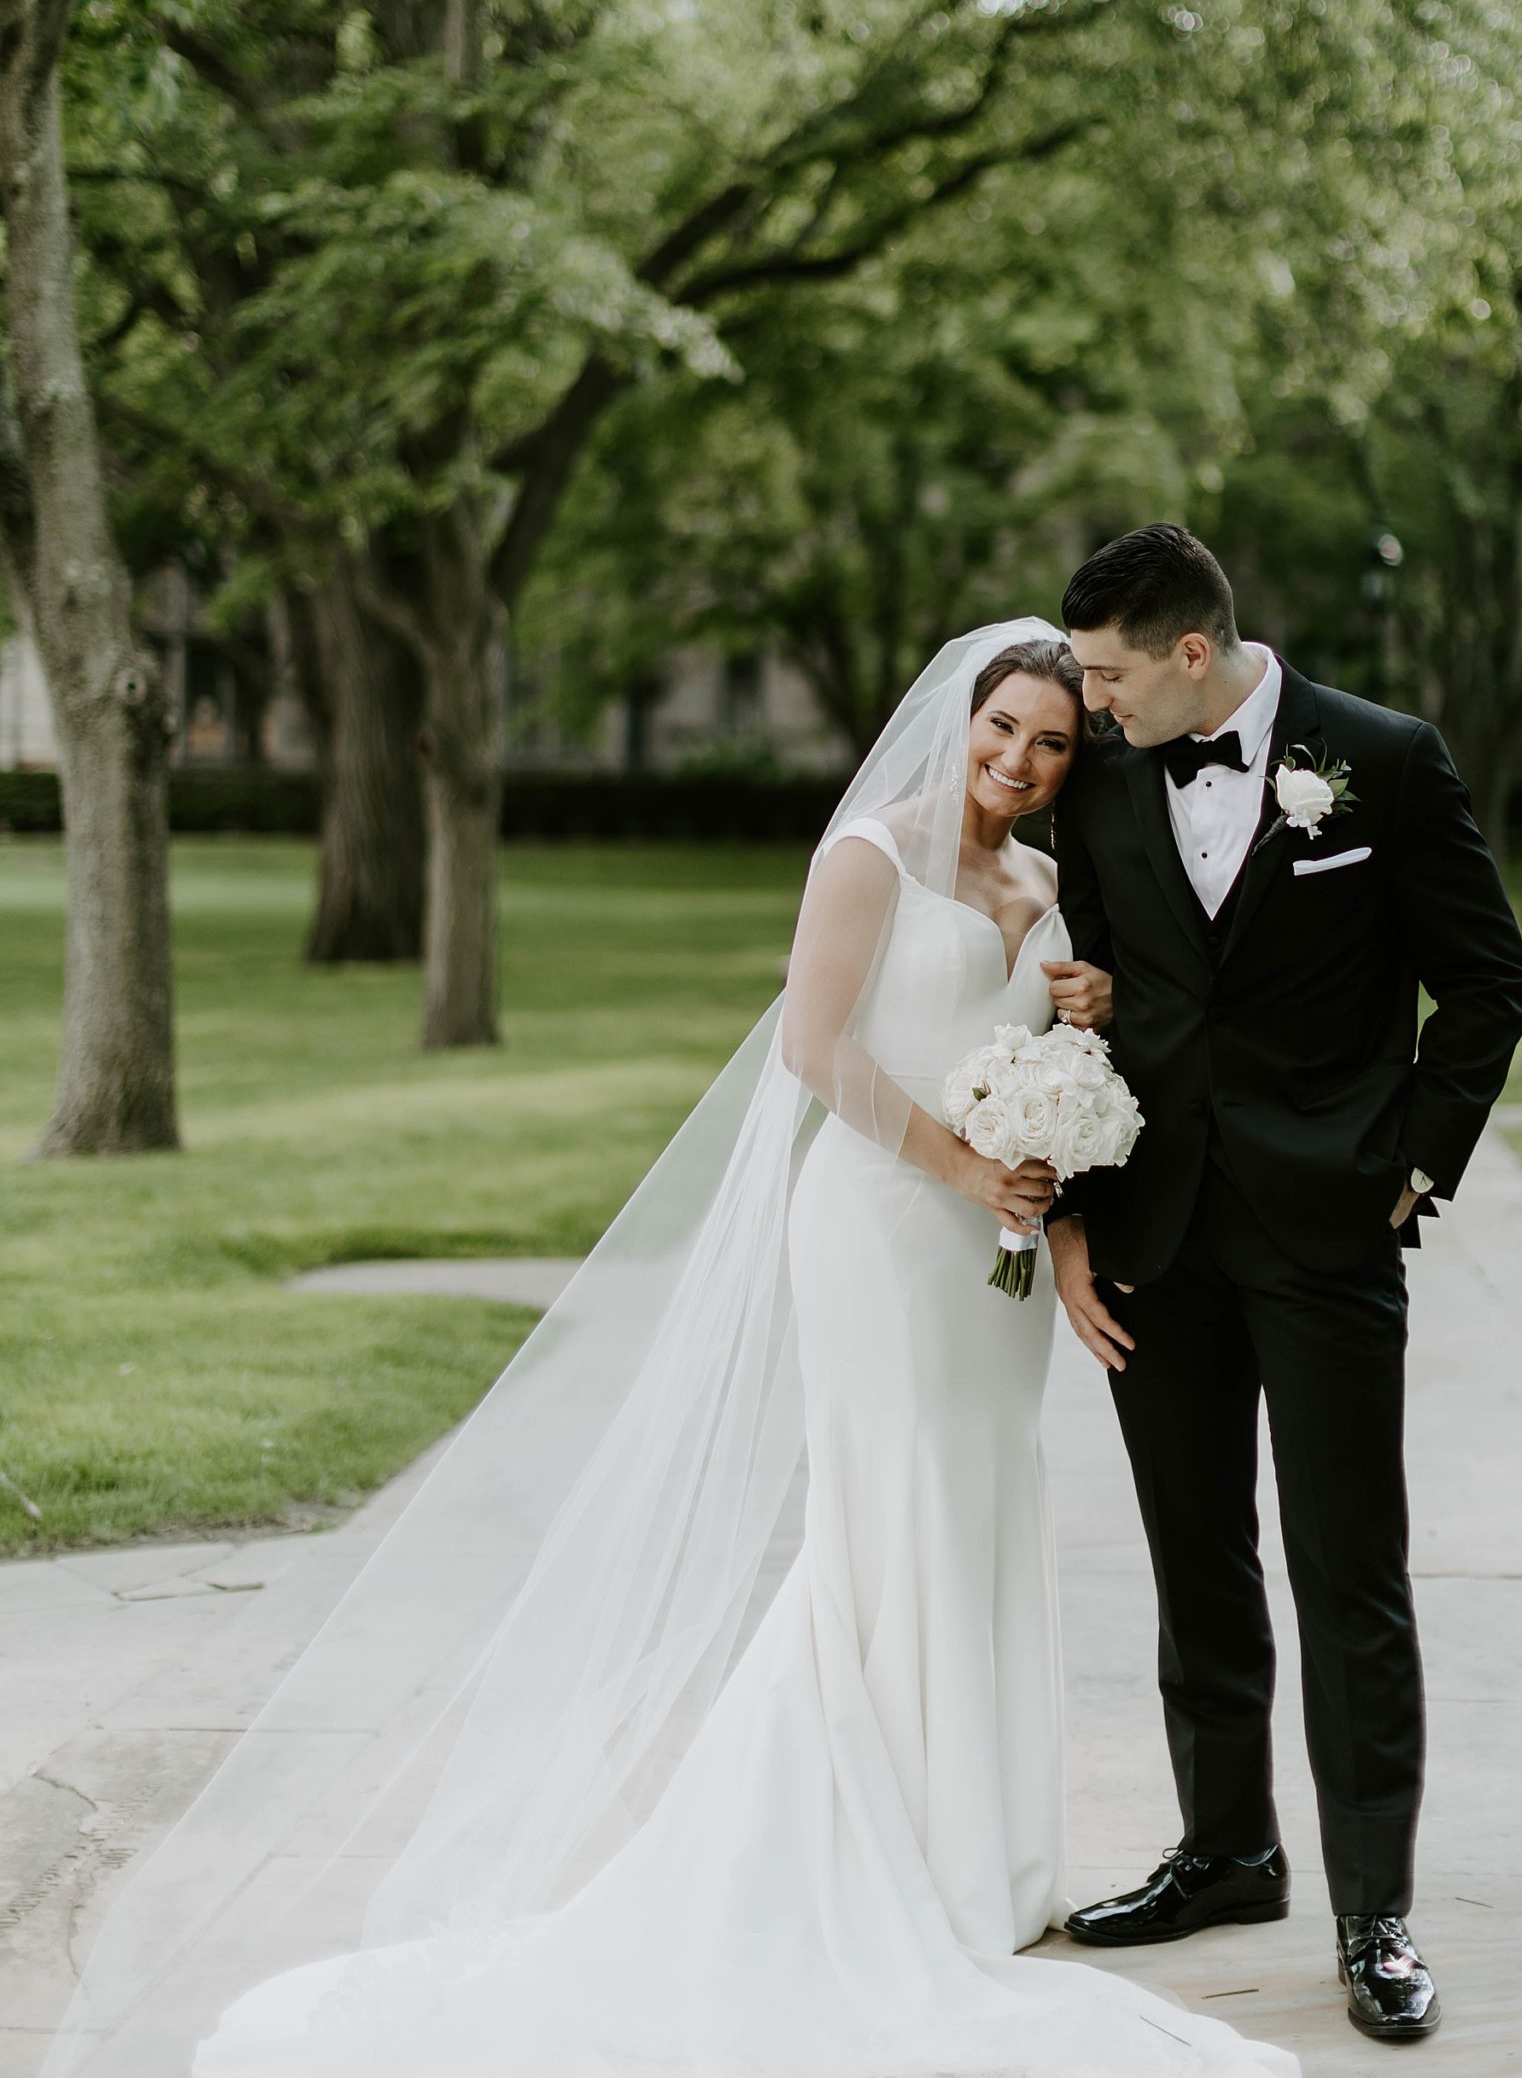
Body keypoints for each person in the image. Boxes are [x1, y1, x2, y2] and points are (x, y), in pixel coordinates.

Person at [47, 621, 1296, 2078]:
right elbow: (817, 1050)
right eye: (1002, 728)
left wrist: (1085, 1014)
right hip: (889, 1229)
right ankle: (871, 1848)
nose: (1019, 761)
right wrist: (966, 1171)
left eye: (1053, 744)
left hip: (992, 1263)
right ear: (959, 718)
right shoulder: (870, 860)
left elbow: (1063, 1055)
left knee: (982, 1506)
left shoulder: (1046, 880)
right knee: (881, 1518)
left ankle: (989, 1858)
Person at [1045, 525, 1522, 2045]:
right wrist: (1070, 1192)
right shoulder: (1109, 774)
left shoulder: (1381, 761)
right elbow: (1106, 976)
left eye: (1111, 674)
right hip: (1156, 1232)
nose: (1093, 702)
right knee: (1198, 1561)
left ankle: (1373, 1911)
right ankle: (1226, 1850)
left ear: (1193, 652)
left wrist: (1417, 1163)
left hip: (1328, 1233)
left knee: (1349, 1575)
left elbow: (1488, 979)